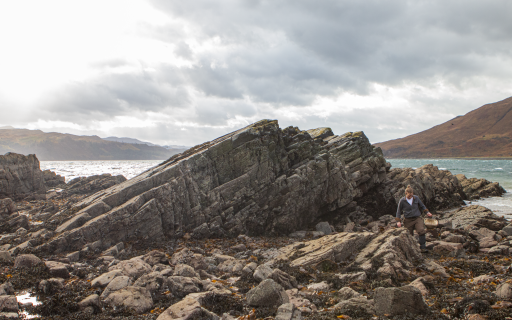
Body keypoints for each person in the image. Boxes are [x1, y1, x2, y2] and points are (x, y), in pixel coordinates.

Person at [396, 185, 432, 252]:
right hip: (407, 220)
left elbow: (422, 206)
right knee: (409, 235)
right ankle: (411, 249)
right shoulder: (402, 201)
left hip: (417, 218)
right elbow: (398, 211)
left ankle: (423, 247)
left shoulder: (416, 198)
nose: (410, 197)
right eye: (409, 196)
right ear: (405, 194)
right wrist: (398, 221)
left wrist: (427, 212)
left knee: (421, 230)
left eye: (411, 195)